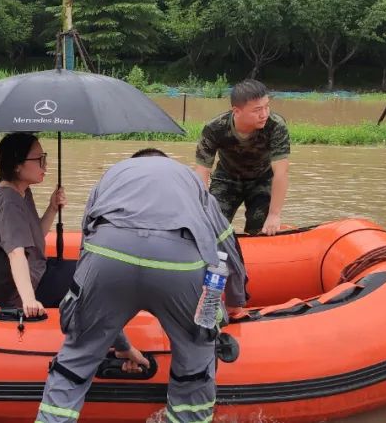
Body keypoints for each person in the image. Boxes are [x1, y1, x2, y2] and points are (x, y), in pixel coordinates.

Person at [37, 148, 248, 423]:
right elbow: (225, 241)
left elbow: (89, 247)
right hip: (179, 264)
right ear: (164, 162)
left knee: (77, 355)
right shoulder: (189, 178)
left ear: (135, 162)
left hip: (109, 255)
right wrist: (235, 300)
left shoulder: (112, 175)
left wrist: (119, 343)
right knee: (196, 350)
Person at [0, 132, 66, 317]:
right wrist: (29, 300)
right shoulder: (8, 202)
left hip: (38, 271)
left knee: (85, 272)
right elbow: (16, 253)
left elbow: (35, 237)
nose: (45, 165)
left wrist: (52, 208)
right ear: (17, 165)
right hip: (17, 291)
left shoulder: (22, 191)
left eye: (44, 158)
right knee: (87, 281)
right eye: (39, 159)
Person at [195, 79, 290, 235]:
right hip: (226, 178)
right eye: (257, 110)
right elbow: (202, 171)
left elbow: (281, 171)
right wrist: (203, 209)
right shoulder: (215, 128)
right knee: (213, 227)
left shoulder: (275, 125)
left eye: (267, 106)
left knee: (260, 229)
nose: (264, 114)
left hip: (262, 179)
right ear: (237, 111)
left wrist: (274, 215)